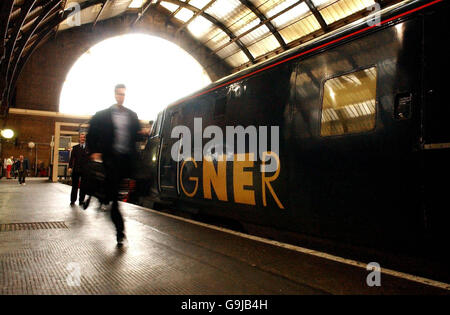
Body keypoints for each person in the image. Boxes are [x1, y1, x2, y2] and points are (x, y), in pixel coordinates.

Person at [86, 84, 148, 246]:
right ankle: (120, 232)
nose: (121, 97)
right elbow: (91, 134)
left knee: (113, 193)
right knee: (113, 197)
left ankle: (101, 197)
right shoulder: (102, 116)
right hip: (111, 161)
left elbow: (136, 136)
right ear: (114, 95)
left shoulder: (131, 116)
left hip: (126, 162)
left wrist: (143, 134)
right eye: (119, 94)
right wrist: (94, 151)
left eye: (123, 94)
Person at [68, 133, 89, 206]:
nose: (82, 138)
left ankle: (81, 200)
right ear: (79, 139)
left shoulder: (89, 148)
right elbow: (71, 158)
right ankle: (73, 200)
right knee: (74, 186)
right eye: (81, 137)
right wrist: (70, 167)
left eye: (84, 137)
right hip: (76, 169)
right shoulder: (75, 148)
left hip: (85, 170)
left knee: (83, 186)